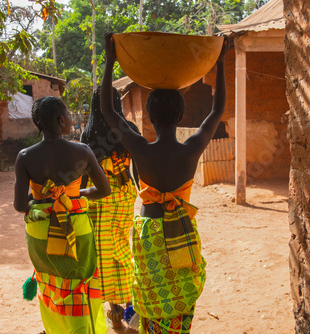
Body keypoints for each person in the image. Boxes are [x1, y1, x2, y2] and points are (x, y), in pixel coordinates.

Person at [100, 32, 229, 334]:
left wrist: (109, 62)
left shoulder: (140, 148)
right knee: (180, 294)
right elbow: (216, 111)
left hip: (149, 235)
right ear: (181, 114)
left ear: (148, 115)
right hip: (181, 229)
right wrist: (220, 63)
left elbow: (108, 111)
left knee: (151, 294)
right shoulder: (191, 148)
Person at [13, 96, 111, 334]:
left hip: (39, 234)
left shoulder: (25, 156)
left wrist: (40, 199)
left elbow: (19, 205)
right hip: (76, 230)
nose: (69, 119)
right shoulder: (82, 151)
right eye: (67, 115)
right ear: (61, 120)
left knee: (50, 285)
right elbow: (104, 190)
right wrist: (75, 194)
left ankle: (55, 328)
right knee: (80, 285)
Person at [80, 86, 140, 329]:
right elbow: (137, 168)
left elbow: (85, 174)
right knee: (122, 247)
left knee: (102, 253)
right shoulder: (130, 130)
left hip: (99, 198)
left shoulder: (89, 134)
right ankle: (130, 307)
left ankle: (114, 311)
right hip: (125, 195)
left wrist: (79, 199)